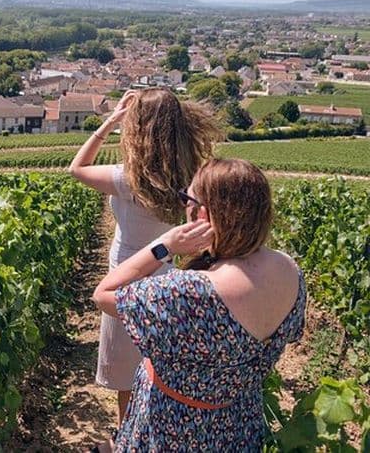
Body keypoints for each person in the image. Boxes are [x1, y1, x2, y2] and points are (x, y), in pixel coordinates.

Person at [93, 158, 306, 451]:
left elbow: (104, 294)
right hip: (238, 424)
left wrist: (164, 245)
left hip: (172, 428)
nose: (184, 206)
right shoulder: (289, 270)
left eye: (186, 198)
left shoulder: (191, 291)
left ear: (203, 214)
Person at [69, 87, 221, 423]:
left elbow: (77, 168)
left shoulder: (126, 178)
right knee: (161, 362)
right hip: (169, 273)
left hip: (125, 274)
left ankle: (128, 436)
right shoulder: (195, 177)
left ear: (137, 129)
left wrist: (110, 122)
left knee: (127, 371)